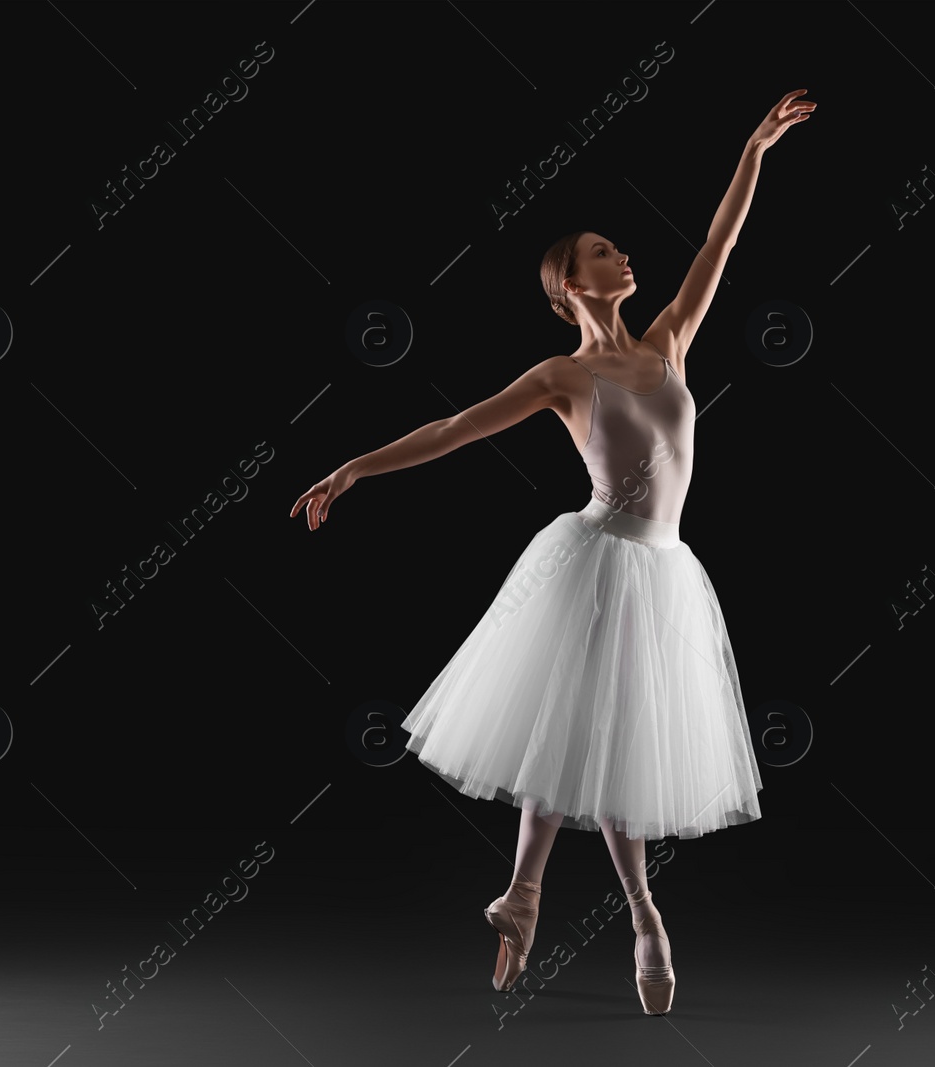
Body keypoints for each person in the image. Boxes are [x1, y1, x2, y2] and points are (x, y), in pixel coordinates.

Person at [291, 89, 816, 1015]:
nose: (624, 256)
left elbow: (717, 245)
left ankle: (559, 902)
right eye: (603, 252)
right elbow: (455, 428)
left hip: (665, 567)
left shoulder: (668, 347)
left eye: (619, 248)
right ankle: (620, 914)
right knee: (581, 739)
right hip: (598, 557)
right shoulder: (561, 376)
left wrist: (754, 150)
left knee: (613, 748)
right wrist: (355, 467)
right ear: (570, 285)